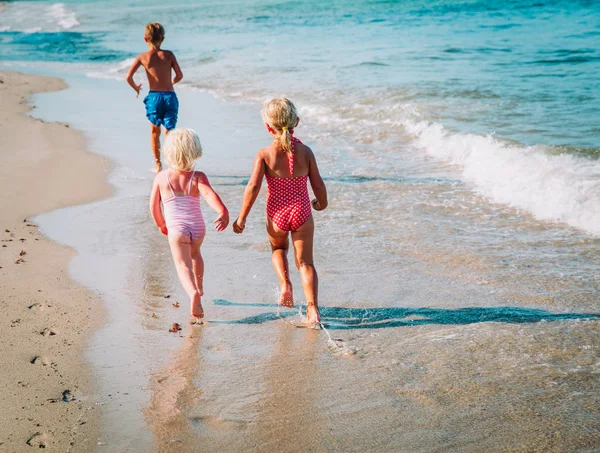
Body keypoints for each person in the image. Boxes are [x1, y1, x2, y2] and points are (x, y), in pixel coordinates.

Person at [233, 97, 328, 326]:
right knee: (306, 263)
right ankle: (313, 309)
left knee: (278, 248)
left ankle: (285, 284)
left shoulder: (265, 154)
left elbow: (253, 187)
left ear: (268, 127)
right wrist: (321, 203)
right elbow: (317, 184)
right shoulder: (305, 151)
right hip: (302, 211)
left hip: (276, 213)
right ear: (296, 121)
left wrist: (242, 218)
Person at [149, 129, 229, 322]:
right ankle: (200, 288)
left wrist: (161, 224)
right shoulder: (198, 176)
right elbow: (209, 195)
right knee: (196, 255)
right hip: (198, 227)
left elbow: (153, 206)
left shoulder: (161, 177)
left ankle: (192, 293)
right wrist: (222, 211)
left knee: (182, 264)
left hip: (177, 229)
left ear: (169, 151)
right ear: (195, 151)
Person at [126, 22, 183, 173]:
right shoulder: (169, 55)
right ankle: (173, 163)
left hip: (154, 98)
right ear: (162, 38)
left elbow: (128, 77)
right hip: (170, 96)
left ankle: (158, 165)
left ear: (145, 39)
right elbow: (179, 75)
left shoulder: (142, 57)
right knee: (170, 131)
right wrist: (171, 82)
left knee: (154, 131)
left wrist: (136, 88)